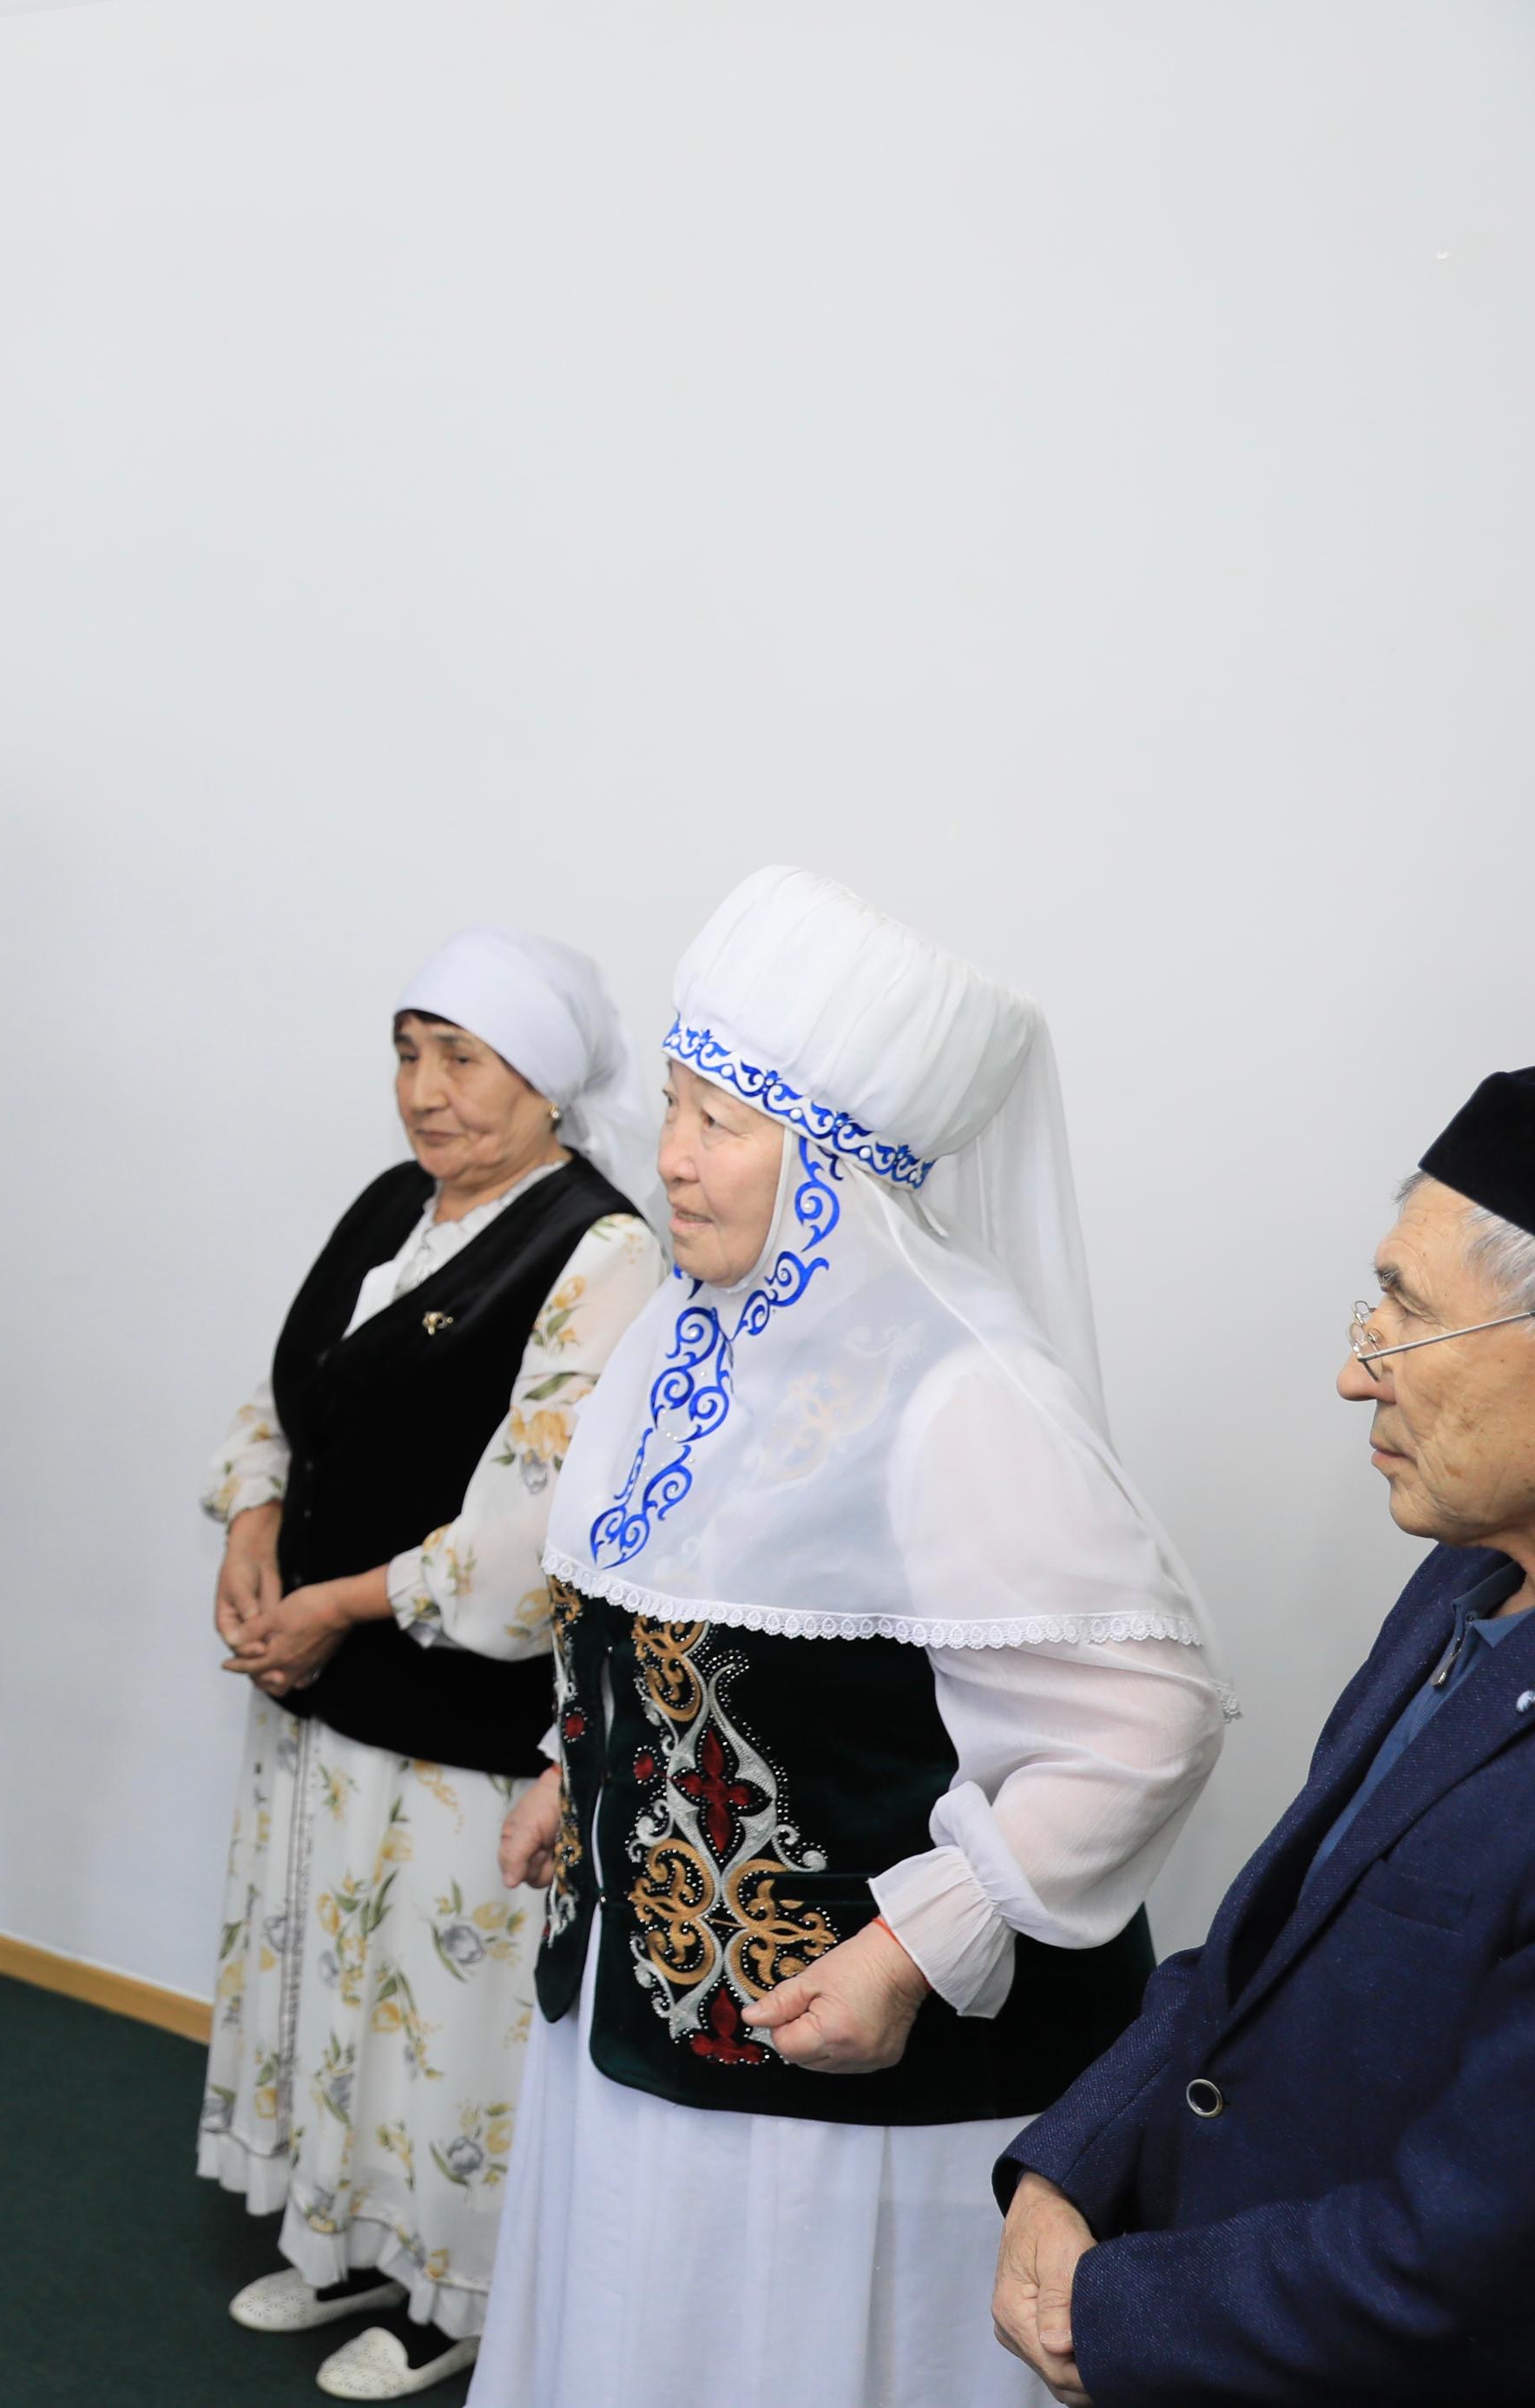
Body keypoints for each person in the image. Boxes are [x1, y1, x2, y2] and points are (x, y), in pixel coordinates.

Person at [471, 866, 1227, 2408]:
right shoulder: (684, 1338)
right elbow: (657, 1617)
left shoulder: (962, 1396)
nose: (670, 1157)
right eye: (670, 1105)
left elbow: (1148, 1717)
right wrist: (578, 1763)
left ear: (834, 1163)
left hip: (833, 2101)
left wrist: (910, 1944)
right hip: (641, 2028)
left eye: (722, 1121)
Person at [991, 1073, 1535, 2406]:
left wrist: (1108, 2310)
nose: (1356, 1371)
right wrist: (1069, 2164)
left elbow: (1465, 2254)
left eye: (1408, 1314)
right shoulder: (1460, 1587)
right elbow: (1263, 1944)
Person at [200, 927, 669, 2398]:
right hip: (325, 1697)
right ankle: (343, 2234)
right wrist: (253, 1528)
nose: (424, 1089)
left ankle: (449, 2289)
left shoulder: (603, 1250)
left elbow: (536, 1531)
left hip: (456, 1724)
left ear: (547, 1078)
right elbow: (290, 1394)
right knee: (340, 1989)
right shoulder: (392, 1205)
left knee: (441, 2018)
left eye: (462, 1056)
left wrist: (334, 1605)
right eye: (409, 1052)